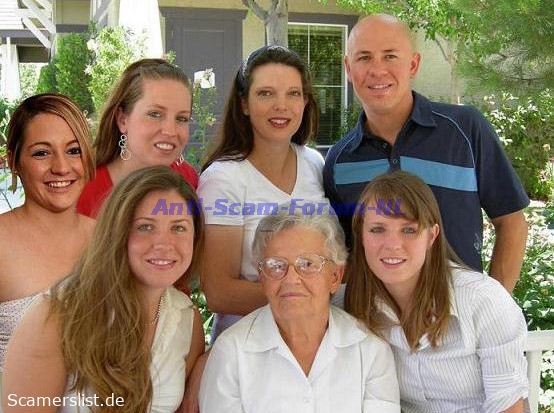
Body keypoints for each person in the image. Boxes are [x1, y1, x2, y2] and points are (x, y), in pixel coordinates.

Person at [323, 14, 529, 292]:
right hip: (376, 315)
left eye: (390, 56)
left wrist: (491, 303)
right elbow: (347, 252)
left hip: (459, 310)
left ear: (413, 64)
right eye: (364, 57)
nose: (377, 70)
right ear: (348, 68)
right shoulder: (340, 161)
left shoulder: (465, 130)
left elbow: (511, 223)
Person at [3, 166, 205, 413]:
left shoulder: (186, 318)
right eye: (145, 227)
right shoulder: (56, 316)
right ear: (117, 232)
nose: (164, 244)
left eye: (179, 228)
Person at [345, 170, 529, 413]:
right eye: (378, 229)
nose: (392, 245)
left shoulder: (483, 300)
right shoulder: (349, 305)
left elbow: (508, 407)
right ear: (360, 234)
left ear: (431, 236)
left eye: (409, 230)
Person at [199, 204, 400, 412]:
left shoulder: (370, 350)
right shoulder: (231, 352)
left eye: (308, 264)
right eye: (276, 266)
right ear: (262, 278)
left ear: (335, 277)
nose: (291, 279)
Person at [198, 45, 327, 339]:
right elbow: (219, 292)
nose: (281, 105)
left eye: (293, 93)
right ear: (244, 104)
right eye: (266, 93)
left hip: (313, 340)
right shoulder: (224, 179)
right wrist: (310, 296)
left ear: (305, 102)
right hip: (248, 343)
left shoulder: (314, 163)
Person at [0, 94, 95, 384]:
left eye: (74, 150)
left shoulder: (108, 241)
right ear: (14, 162)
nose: (62, 167)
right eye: (42, 153)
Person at [77, 58, 198, 219]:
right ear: (122, 120)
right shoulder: (81, 193)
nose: (170, 131)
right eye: (154, 114)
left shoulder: (189, 179)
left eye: (181, 118)